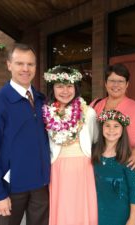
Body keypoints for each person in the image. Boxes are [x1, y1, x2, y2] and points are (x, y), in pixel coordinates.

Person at [0, 43, 50, 225]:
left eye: (30, 64)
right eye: (19, 63)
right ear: (9, 65)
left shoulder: (42, 101)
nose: (26, 69)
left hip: (41, 186)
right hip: (11, 189)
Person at [91, 63, 135, 225]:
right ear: (105, 83)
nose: (116, 85)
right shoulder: (95, 105)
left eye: (120, 81)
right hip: (103, 161)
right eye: (112, 81)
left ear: (127, 84)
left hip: (129, 161)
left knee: (134, 203)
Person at [42, 65, 98, 225]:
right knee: (62, 208)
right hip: (57, 168)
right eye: (60, 86)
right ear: (53, 88)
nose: (65, 91)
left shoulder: (88, 112)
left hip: (83, 167)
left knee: (81, 208)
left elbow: (94, 138)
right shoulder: (47, 113)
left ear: (76, 88)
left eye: (69, 86)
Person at [92, 109, 135, 225]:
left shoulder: (127, 157)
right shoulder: (94, 152)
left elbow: (134, 189)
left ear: (122, 130)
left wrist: (133, 219)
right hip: (102, 209)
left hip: (122, 211)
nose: (111, 130)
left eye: (116, 126)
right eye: (107, 125)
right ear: (102, 128)